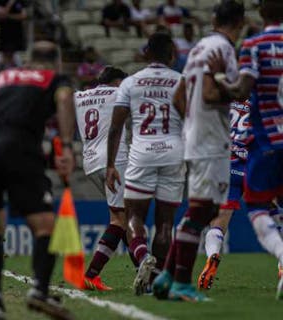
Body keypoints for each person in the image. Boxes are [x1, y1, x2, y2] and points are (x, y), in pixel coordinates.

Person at [0, 41, 75, 320]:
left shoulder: (1, 76)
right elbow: (65, 100)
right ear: (55, 62)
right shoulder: (55, 79)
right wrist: (67, 146)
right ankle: (40, 291)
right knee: (45, 225)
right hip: (19, 146)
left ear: (28, 60)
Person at [151, 0, 245, 302]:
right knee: (201, 212)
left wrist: (191, 124)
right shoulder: (224, 51)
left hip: (196, 138)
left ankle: (166, 275)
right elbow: (209, 92)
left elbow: (180, 95)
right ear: (240, 23)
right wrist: (235, 90)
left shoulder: (197, 49)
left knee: (205, 211)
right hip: (211, 142)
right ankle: (181, 283)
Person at [207, 0, 283, 299]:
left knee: (230, 216)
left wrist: (219, 80)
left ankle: (213, 253)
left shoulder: (254, 47)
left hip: (246, 154)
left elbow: (237, 90)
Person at [107, 32, 185, 296]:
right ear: (172, 55)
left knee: (134, 217)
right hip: (174, 152)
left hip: (142, 154)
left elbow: (116, 126)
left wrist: (110, 165)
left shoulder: (130, 83)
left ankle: (143, 259)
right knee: (165, 225)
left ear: (146, 53)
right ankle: (156, 282)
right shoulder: (182, 81)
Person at [74, 66, 132, 291]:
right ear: (117, 82)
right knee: (120, 220)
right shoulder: (118, 94)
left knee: (123, 216)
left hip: (89, 162)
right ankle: (91, 274)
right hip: (113, 161)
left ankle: (144, 271)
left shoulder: (79, 96)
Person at [197, 100, 251, 290]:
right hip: (254, 166)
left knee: (218, 222)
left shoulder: (227, 100)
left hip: (227, 165)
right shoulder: (265, 101)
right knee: (273, 214)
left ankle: (212, 255)